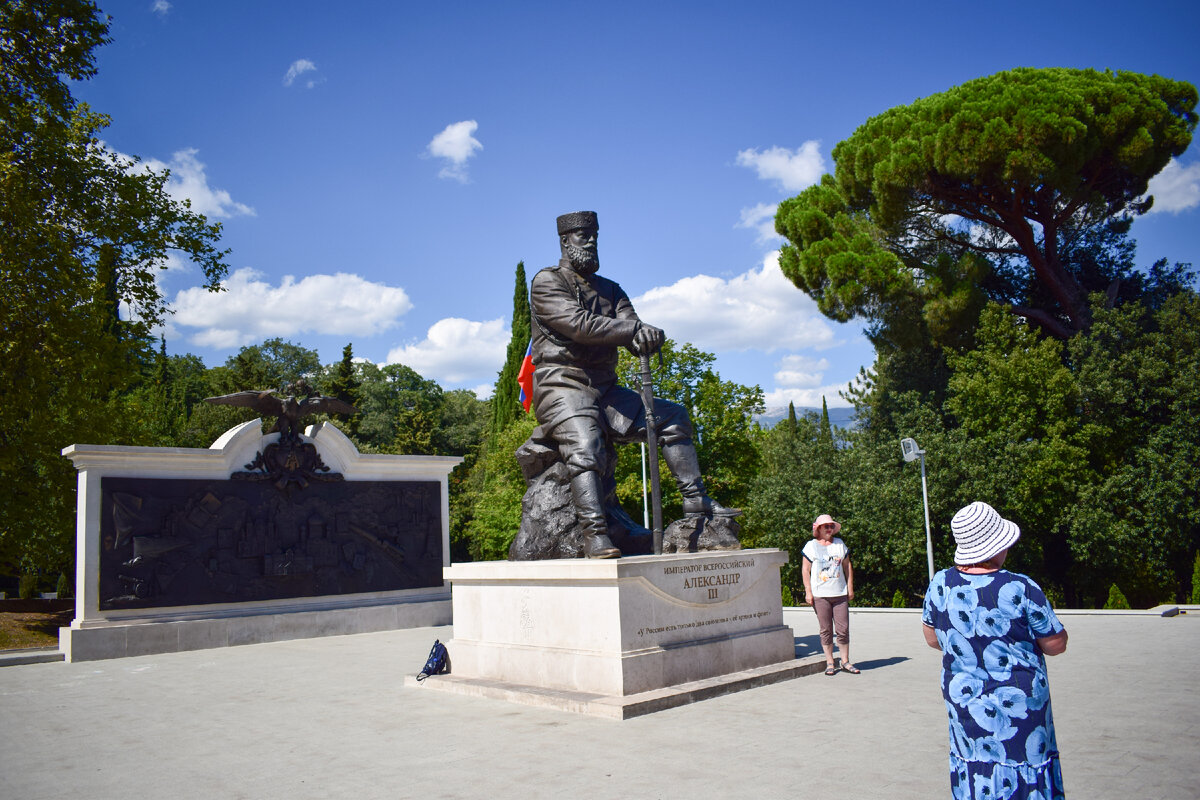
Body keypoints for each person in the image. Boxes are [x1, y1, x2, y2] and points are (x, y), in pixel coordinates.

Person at [528, 210, 738, 558]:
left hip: (605, 389)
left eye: (594, 234)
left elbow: (631, 326)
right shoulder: (547, 282)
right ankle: (595, 534)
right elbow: (580, 325)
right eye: (583, 235)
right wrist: (633, 331)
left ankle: (696, 501)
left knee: (672, 417)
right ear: (565, 241)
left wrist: (648, 337)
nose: (592, 241)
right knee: (586, 445)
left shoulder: (612, 289)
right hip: (561, 384)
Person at [922, 501, 1069, 800]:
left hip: (965, 702)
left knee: (975, 767)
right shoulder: (1021, 586)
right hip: (1020, 704)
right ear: (995, 547)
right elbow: (1056, 645)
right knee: (1026, 765)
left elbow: (931, 638)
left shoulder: (940, 583)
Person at [801, 513, 857, 675]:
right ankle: (830, 662)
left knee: (843, 629)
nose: (830, 529)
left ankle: (845, 661)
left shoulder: (839, 544)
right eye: (826, 526)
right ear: (818, 528)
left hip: (839, 593)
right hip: (820, 595)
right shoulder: (811, 546)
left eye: (832, 526)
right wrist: (808, 592)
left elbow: (847, 566)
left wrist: (850, 587)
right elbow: (805, 569)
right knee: (826, 630)